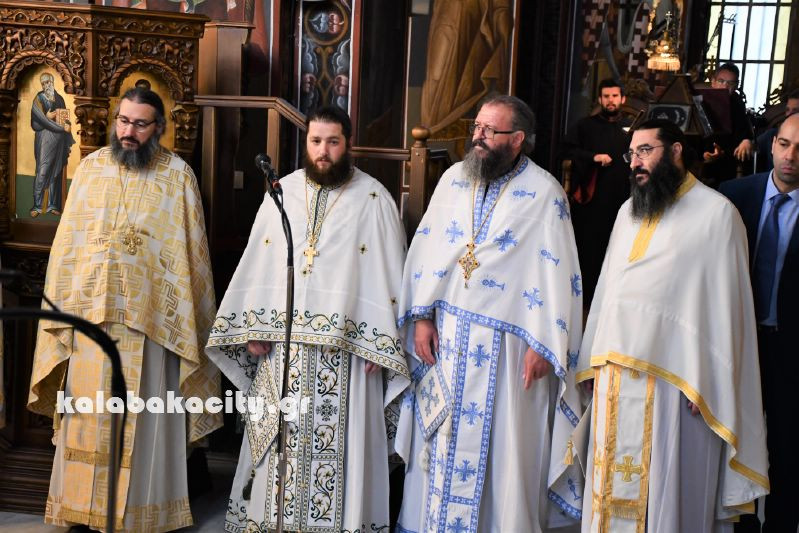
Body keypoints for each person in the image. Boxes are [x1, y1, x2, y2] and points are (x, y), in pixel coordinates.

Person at [206, 106, 409, 532]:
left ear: (348, 145)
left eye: (333, 142)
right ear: (306, 143)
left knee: (343, 460)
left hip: (348, 357)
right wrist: (252, 329)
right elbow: (259, 263)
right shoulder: (282, 193)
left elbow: (391, 275)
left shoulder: (374, 198)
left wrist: (384, 345)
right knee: (276, 452)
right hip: (284, 352)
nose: (323, 151)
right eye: (316, 141)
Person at [28, 86, 221, 531]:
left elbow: (189, 260)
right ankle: (81, 511)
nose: (128, 132)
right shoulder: (91, 169)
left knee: (142, 415)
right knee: (87, 414)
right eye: (123, 121)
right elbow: (68, 247)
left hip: (151, 324)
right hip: (90, 316)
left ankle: (139, 515)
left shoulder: (178, 177)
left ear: (159, 128)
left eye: (139, 124)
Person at [395, 94, 584, 532]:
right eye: (476, 127)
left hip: (511, 348)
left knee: (506, 449)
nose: (478, 137)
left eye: (489, 131)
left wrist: (546, 346)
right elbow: (428, 250)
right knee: (439, 439)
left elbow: (558, 275)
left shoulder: (545, 194)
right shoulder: (453, 181)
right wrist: (422, 318)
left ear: (517, 139)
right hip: (448, 338)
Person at [569, 119, 768, 531]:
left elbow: (727, 308)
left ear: (676, 151)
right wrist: (592, 360)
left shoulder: (717, 215)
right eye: (631, 154)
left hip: (677, 384)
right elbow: (607, 292)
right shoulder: (628, 211)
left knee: (666, 494)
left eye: (645, 151)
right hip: (614, 377)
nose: (635, 162)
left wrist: (713, 382)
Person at [721, 112, 799, 533]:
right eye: (784, 144)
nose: (790, 156)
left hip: (792, 350)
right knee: (737, 448)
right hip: (738, 345)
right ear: (772, 145)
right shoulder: (732, 196)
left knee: (788, 451)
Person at [562, 78, 631, 306]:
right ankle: (586, 299)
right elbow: (568, 151)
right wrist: (593, 157)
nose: (610, 100)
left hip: (623, 197)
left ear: (622, 99)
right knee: (589, 249)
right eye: (606, 96)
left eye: (614, 96)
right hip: (592, 201)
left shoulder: (632, 128)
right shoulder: (585, 126)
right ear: (600, 99)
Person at [30, 72, 75, 217]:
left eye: (48, 82)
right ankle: (37, 206)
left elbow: (64, 118)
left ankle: (53, 205)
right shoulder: (38, 99)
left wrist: (67, 125)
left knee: (56, 171)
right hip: (44, 140)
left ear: (52, 82)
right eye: (43, 83)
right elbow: (38, 122)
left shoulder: (60, 98)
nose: (46, 85)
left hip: (58, 141)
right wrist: (47, 117)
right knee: (43, 171)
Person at [703, 63, 754, 185]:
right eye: (721, 81)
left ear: (736, 85)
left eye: (730, 83)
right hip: (702, 153)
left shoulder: (737, 103)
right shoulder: (701, 100)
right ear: (713, 82)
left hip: (727, 156)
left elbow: (744, 131)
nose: (725, 86)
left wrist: (746, 140)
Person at [753, 91, 799, 172]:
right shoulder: (772, 134)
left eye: (795, 111)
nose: (789, 114)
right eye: (787, 110)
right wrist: (747, 142)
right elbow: (754, 145)